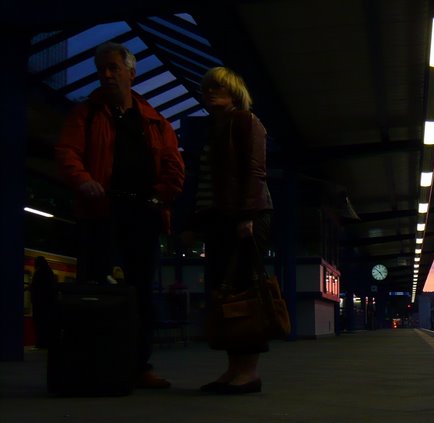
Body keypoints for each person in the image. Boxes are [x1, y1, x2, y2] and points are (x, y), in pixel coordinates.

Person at [54, 42, 185, 389]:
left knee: (140, 291)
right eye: (101, 70)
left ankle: (138, 365)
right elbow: (68, 152)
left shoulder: (155, 121)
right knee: (99, 286)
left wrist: (158, 199)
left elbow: (174, 166)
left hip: (142, 214)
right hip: (101, 212)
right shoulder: (88, 114)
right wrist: (84, 181)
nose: (106, 75)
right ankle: (100, 363)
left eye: (113, 68)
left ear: (131, 71)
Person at [188, 66, 274, 394]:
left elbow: (254, 169)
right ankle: (234, 368)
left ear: (234, 92)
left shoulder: (245, 122)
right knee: (226, 295)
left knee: (244, 293)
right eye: (207, 88)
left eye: (218, 88)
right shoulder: (214, 128)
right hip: (222, 219)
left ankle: (248, 372)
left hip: (245, 217)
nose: (210, 93)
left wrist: (247, 216)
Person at [29, 256, 58, 349]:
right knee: (45, 325)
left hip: (39, 304)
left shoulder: (39, 272)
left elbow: (35, 286)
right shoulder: (49, 272)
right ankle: (45, 343)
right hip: (48, 305)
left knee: (39, 324)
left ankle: (40, 344)